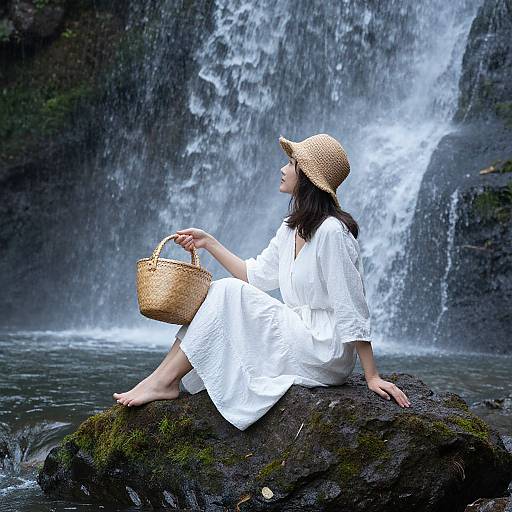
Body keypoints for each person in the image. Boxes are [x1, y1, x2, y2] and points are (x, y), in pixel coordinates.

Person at [113, 133, 411, 430]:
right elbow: (254, 276)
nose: (284, 168)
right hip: (299, 335)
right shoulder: (291, 227)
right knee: (221, 290)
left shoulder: (332, 232)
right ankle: (161, 379)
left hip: (324, 349)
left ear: (307, 176)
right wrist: (209, 243)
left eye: (292, 163)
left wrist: (371, 376)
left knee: (227, 291)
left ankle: (164, 381)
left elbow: (351, 305)